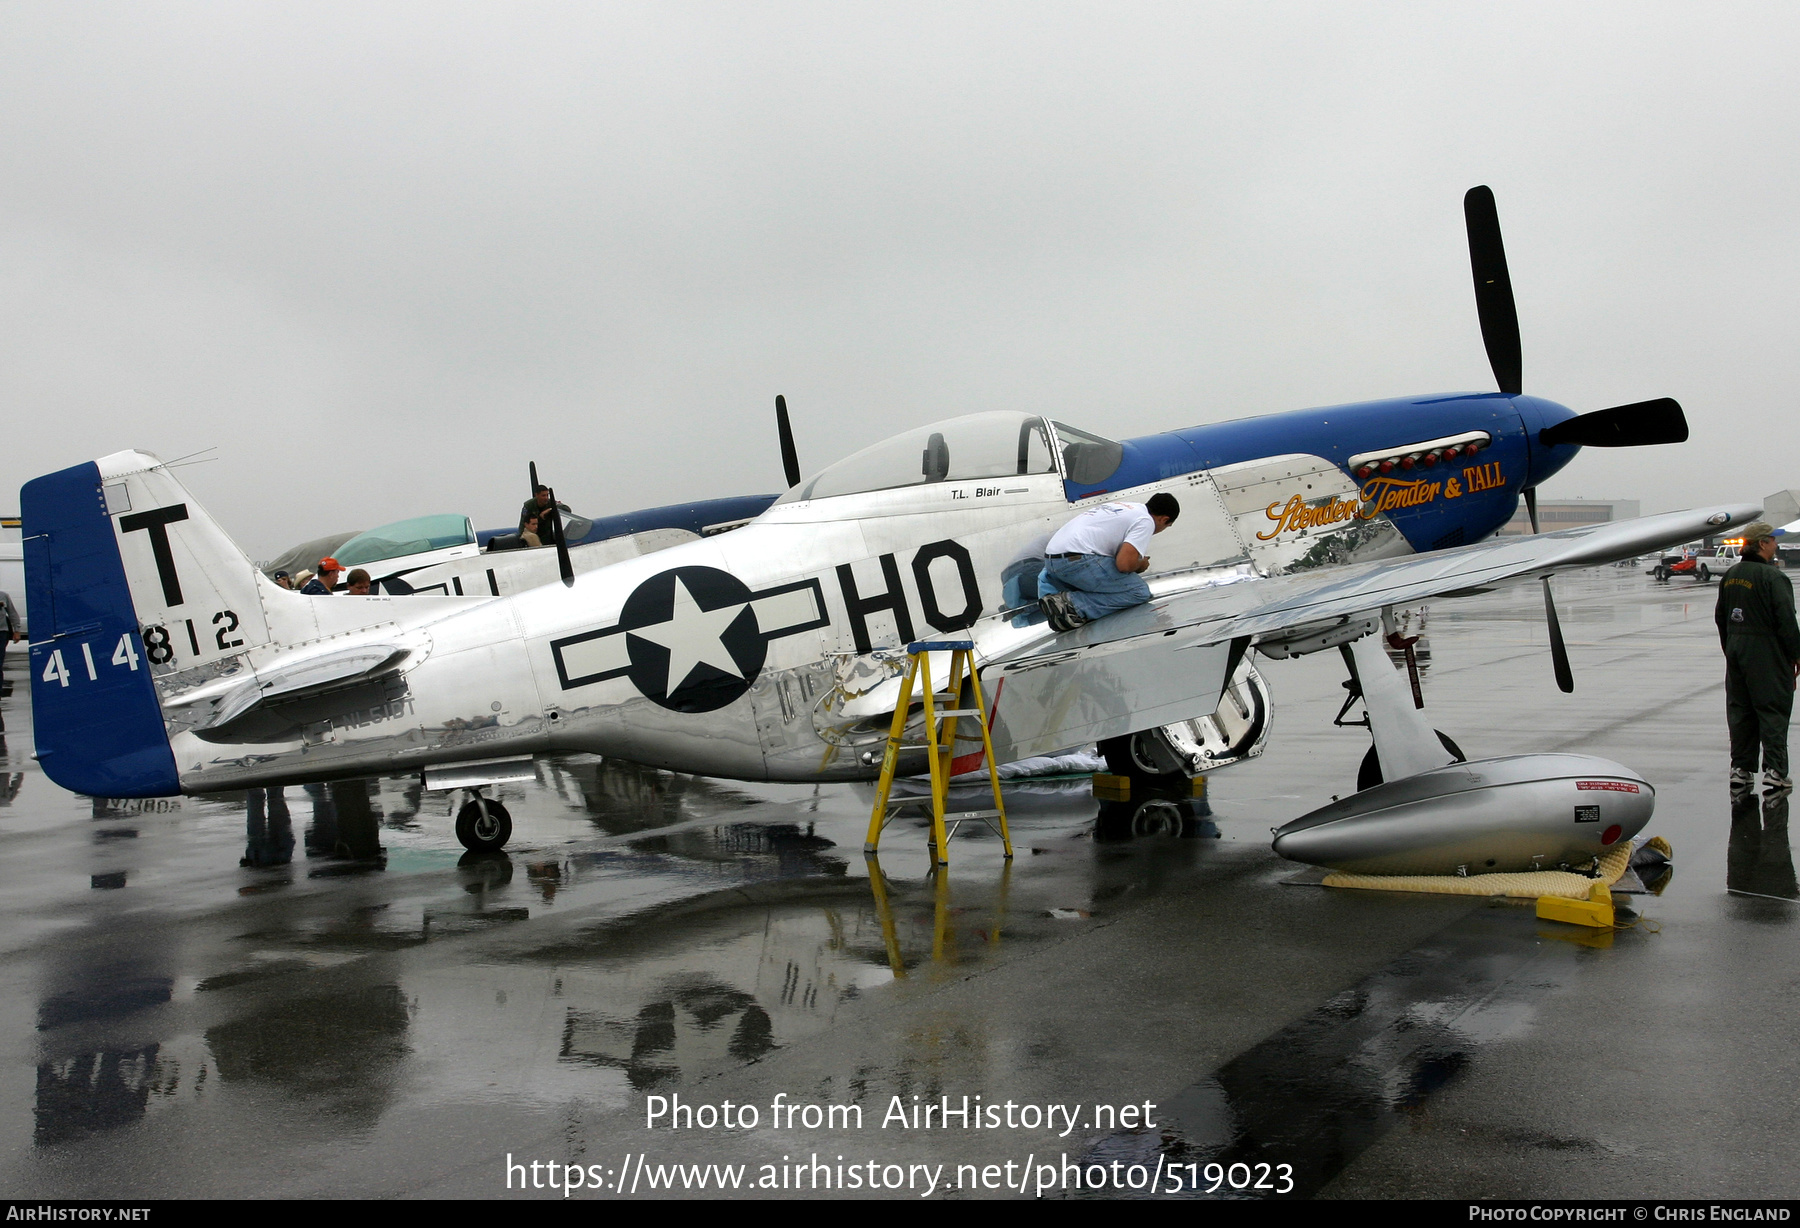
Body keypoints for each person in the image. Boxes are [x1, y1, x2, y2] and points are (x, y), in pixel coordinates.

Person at [1715, 522, 1800, 790]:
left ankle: (1740, 768)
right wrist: (1796, 655)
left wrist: (1730, 647)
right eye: (1773, 540)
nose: (1776, 545)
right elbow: (1786, 619)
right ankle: (1775, 770)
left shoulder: (1731, 574)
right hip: (1765, 651)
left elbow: (1721, 617)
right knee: (1772, 708)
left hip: (1737, 648)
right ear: (1763, 544)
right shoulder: (1773, 577)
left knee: (1740, 710)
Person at [1036, 492, 1180, 631]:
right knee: (1138, 592)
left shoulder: (1126, 507)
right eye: (1167, 526)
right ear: (1164, 519)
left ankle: (1065, 604)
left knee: (1114, 586)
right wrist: (1139, 564)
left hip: (1052, 560)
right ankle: (1071, 605)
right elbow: (1123, 565)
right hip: (1076, 561)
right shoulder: (1146, 521)